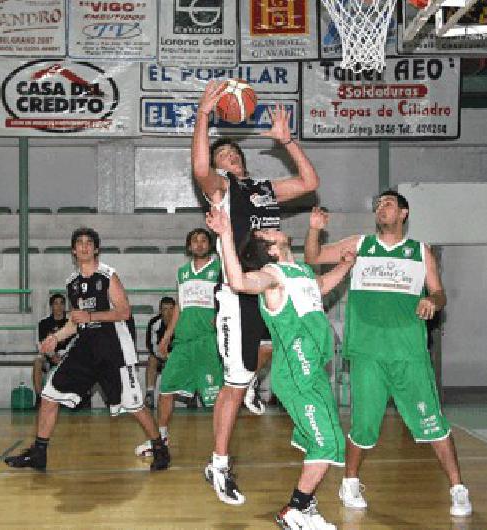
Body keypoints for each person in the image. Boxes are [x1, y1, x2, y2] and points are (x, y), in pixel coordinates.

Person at [303, 191, 473, 517]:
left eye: (389, 204)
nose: (381, 208)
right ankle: (349, 482)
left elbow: (439, 292)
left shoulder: (419, 251)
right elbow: (313, 258)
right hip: (367, 351)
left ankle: (458, 489)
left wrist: (432, 302)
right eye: (378, 204)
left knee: (433, 423)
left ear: (404, 213)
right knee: (363, 425)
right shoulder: (360, 244)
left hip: (409, 352)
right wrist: (313, 229)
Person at [192, 80, 320, 505]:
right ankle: (220, 464)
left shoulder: (263, 188)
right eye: (220, 156)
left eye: (231, 154)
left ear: (242, 160)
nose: (226, 159)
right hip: (239, 287)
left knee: (270, 353)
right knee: (234, 379)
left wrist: (288, 142)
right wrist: (204, 116)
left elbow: (308, 180)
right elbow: (198, 170)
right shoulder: (222, 189)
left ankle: (249, 385)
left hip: (273, 282)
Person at [206, 206, 353, 529]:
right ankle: (295, 510)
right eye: (269, 233)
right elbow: (239, 281)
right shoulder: (273, 277)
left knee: (325, 441)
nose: (275, 229)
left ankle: (308, 507)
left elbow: (323, 285)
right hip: (298, 375)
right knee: (328, 443)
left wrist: (345, 264)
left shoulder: (299, 273)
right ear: (271, 249)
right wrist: (226, 235)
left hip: (313, 372)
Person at [4, 227, 169, 472]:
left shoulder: (108, 275)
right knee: (49, 395)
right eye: (79, 243)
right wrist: (55, 338)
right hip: (85, 347)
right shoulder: (72, 283)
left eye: (89, 242)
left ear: (96, 248)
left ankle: (160, 448)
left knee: (134, 404)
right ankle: (39, 453)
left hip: (114, 347)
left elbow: (124, 311)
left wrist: (91, 315)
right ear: (73, 250)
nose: (84, 246)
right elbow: (76, 321)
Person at [135, 228, 224, 459]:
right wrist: (166, 337)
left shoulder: (219, 269)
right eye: (195, 240)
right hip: (183, 342)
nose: (200, 244)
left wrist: (221, 315)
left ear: (210, 245)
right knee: (167, 389)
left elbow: (230, 298)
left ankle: (221, 449)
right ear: (189, 247)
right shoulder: (182, 272)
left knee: (216, 398)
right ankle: (161, 437)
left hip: (208, 341)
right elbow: (179, 307)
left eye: (204, 240)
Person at [34, 293, 69, 408]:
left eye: (61, 303)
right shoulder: (43, 324)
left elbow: (74, 345)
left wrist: (62, 356)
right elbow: (41, 344)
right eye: (56, 303)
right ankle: (39, 397)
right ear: (51, 306)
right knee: (37, 361)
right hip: (49, 358)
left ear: (65, 306)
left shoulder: (70, 324)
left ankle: (71, 399)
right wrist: (52, 355)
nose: (59, 306)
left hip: (66, 358)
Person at [143, 297, 176, 409]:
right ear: (160, 311)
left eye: (171, 309)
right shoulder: (154, 323)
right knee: (152, 359)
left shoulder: (182, 322)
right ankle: (149, 394)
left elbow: (186, 344)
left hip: (178, 358)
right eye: (165, 309)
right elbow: (150, 345)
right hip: (161, 356)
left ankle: (191, 396)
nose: (168, 312)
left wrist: (173, 357)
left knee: (192, 360)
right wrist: (163, 356)